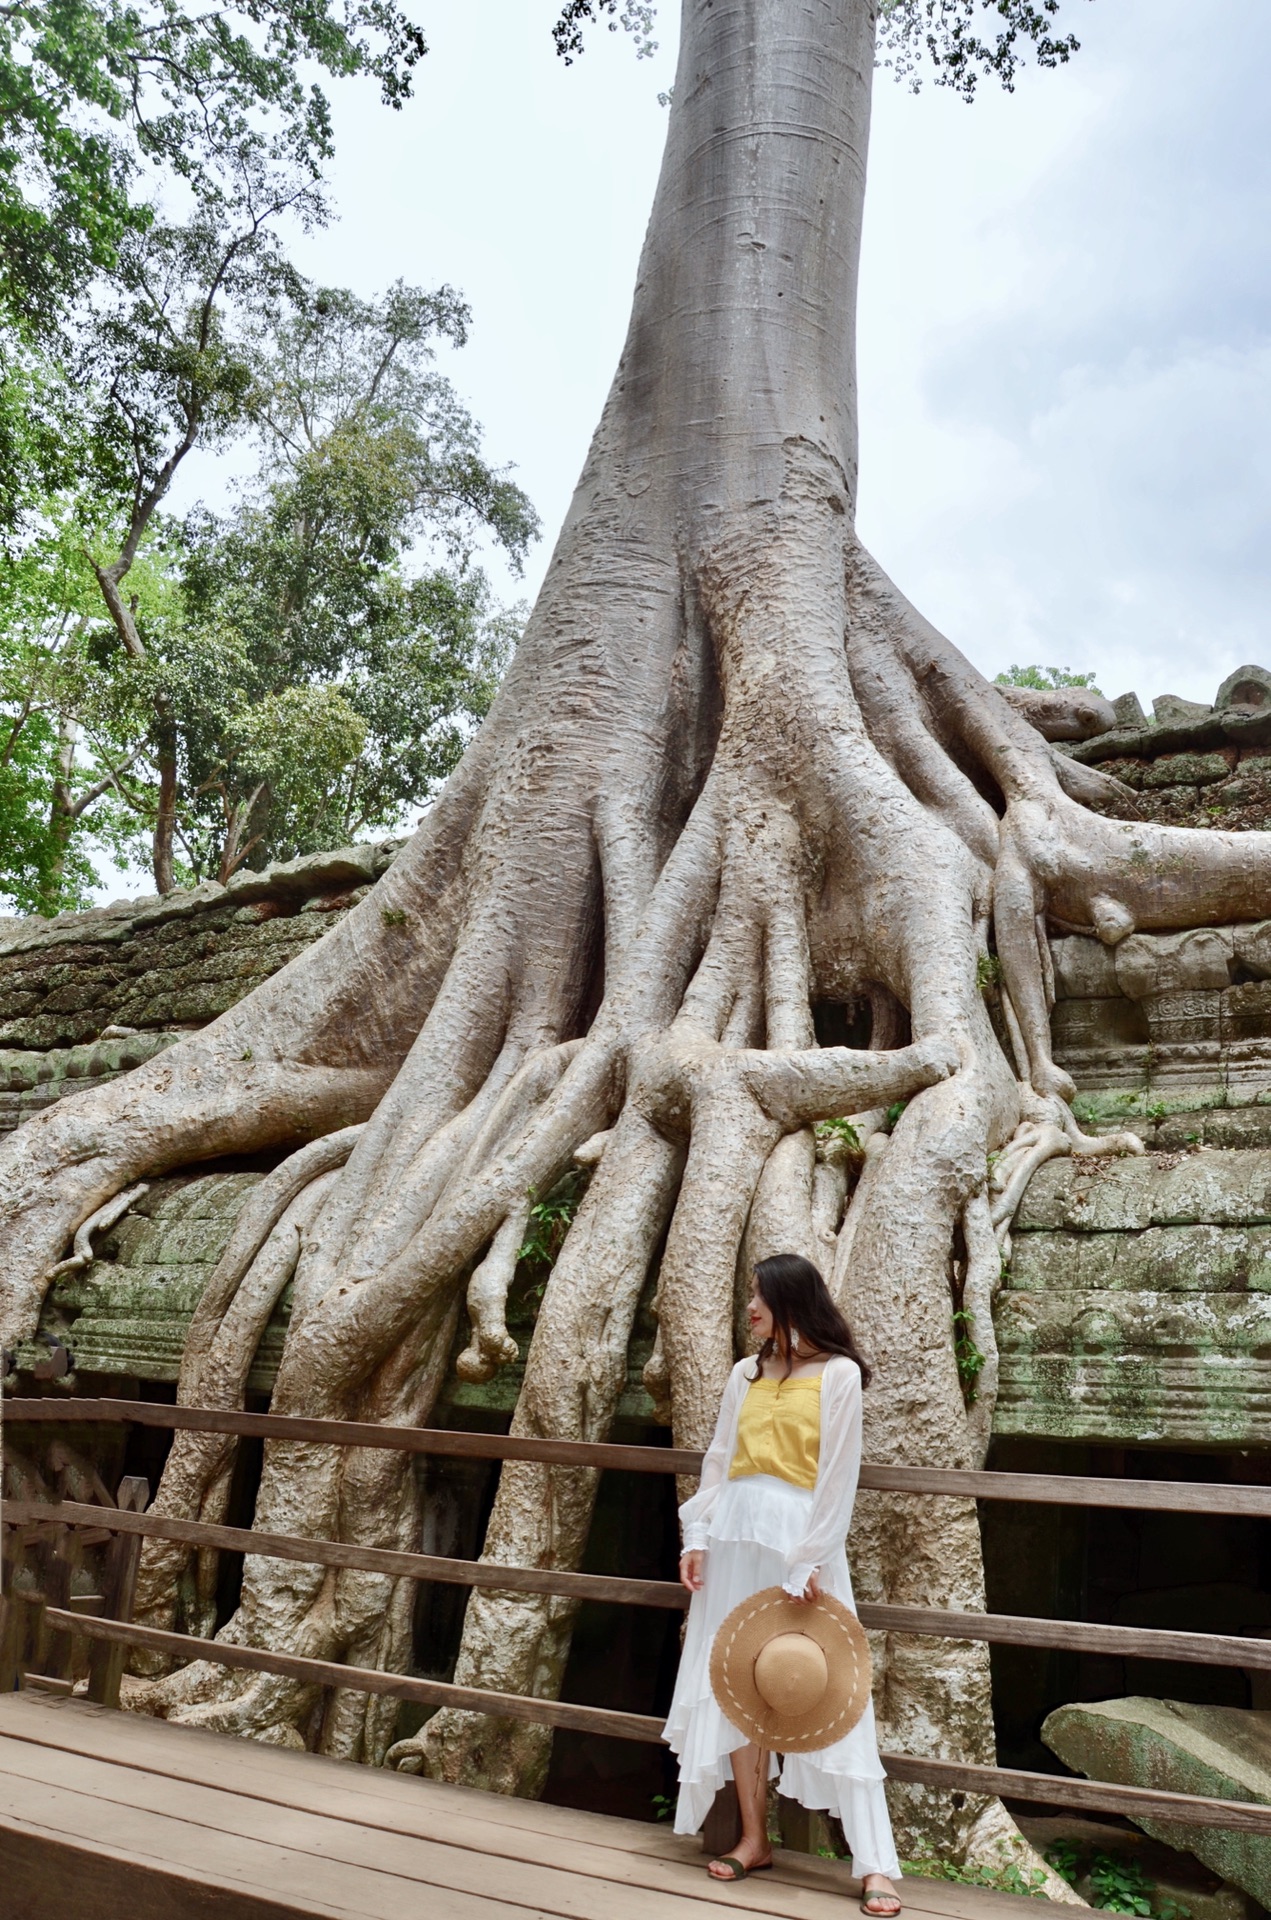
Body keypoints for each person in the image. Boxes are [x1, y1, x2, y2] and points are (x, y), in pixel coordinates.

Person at [663, 1252, 903, 1914]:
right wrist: (697, 1536)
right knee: (739, 1686)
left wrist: (809, 1559)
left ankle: (874, 1864)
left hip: (800, 1547)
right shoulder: (745, 1373)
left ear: (789, 1299)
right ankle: (751, 1837)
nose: (748, 1305)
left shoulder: (839, 1376)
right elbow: (718, 1460)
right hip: (734, 1539)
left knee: (832, 1686)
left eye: (756, 1294)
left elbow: (837, 1477)